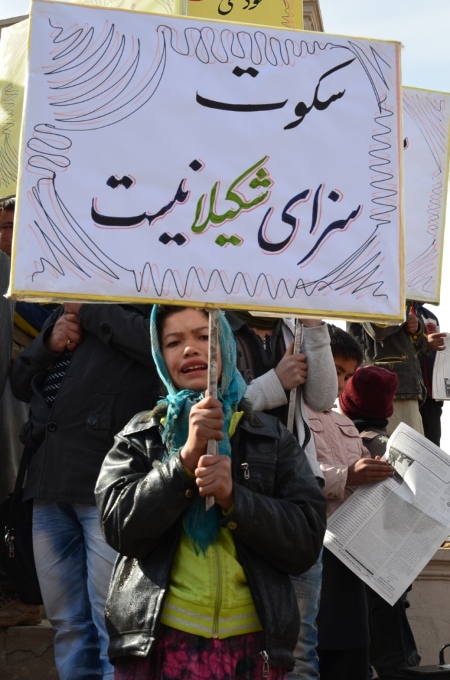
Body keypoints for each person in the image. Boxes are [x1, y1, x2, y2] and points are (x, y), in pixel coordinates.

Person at [95, 305, 327, 679]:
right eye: (173, 342)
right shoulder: (140, 436)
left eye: (204, 337)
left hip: (254, 649)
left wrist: (235, 500)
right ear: (159, 356)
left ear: (227, 348)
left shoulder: (270, 437)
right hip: (158, 646)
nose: (190, 349)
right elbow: (120, 528)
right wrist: (184, 462)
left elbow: (305, 541)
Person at [11, 302, 159, 679]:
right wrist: (49, 342)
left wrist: (91, 311)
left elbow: (159, 349)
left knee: (112, 623)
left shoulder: (148, 301)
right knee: (67, 623)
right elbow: (20, 382)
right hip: (48, 486)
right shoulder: (63, 311)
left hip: (108, 489)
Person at [225, 310, 337, 679]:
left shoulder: (293, 327)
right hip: (237, 495)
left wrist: (314, 325)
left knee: (300, 644)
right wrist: (275, 382)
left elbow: (323, 397)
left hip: (295, 495)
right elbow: (218, 406)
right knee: (240, 637)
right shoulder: (217, 325)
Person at [307, 325, 394, 680]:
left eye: (346, 376)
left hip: (353, 553)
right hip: (314, 548)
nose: (338, 382)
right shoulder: (289, 414)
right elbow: (297, 475)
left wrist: (380, 473)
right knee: (316, 650)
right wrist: (348, 475)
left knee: (352, 653)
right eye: (335, 370)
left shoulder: (344, 424)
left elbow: (362, 471)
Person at [339, 364, 421, 680]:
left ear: (346, 401)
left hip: (350, 578)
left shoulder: (343, 445)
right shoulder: (396, 449)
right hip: (393, 574)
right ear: (388, 409)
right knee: (398, 659)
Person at [0, 197, 43, 628]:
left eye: (13, 226)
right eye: (2, 227)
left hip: (25, 408)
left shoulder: (40, 283)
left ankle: (19, 586)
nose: (6, 235)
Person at [347, 304, 428, 436]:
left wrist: (417, 328)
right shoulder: (366, 294)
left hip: (404, 388)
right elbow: (378, 329)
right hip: (380, 389)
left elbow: (422, 346)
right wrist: (404, 307)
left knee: (409, 447)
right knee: (387, 447)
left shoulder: (403, 302)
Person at [414, 303, 446, 446]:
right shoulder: (397, 311)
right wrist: (425, 344)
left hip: (432, 396)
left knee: (432, 447)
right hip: (408, 392)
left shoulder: (430, 317)